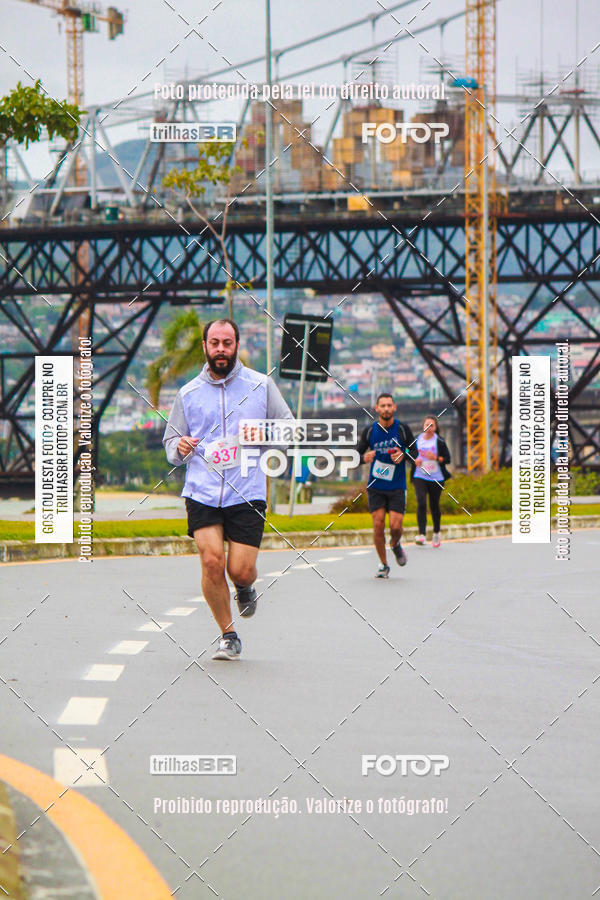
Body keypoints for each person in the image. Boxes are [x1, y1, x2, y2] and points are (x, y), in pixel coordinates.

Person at [162, 319, 293, 661]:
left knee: (240, 569)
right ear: (205, 346)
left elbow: (288, 427)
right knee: (210, 561)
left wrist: (260, 437)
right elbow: (171, 443)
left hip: (247, 490)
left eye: (227, 342)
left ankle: (245, 585)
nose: (221, 349)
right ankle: (228, 634)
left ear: (236, 345)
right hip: (202, 490)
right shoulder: (188, 393)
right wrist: (181, 447)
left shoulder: (260, 385)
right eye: (215, 342)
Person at [357, 394, 415, 578]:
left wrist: (403, 455)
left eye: (389, 405)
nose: (386, 409)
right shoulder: (369, 431)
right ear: (376, 408)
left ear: (395, 407)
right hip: (376, 485)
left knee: (396, 527)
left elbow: (414, 451)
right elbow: (355, 456)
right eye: (382, 406)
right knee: (378, 524)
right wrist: (363, 458)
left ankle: (396, 544)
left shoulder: (403, 429)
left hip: (397, 485)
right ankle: (384, 564)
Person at [410, 414, 452, 548]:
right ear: (423, 427)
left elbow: (447, 459)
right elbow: (406, 451)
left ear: (435, 427)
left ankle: (436, 532)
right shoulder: (417, 439)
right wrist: (414, 459)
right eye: (426, 425)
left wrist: (436, 458)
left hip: (436, 477)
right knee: (421, 502)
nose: (428, 428)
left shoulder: (439, 441)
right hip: (419, 475)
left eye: (431, 425)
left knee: (434, 505)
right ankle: (421, 535)